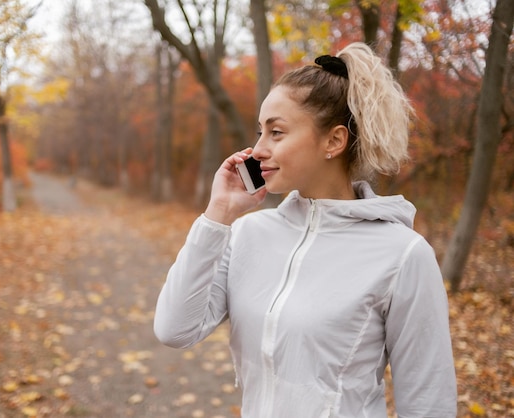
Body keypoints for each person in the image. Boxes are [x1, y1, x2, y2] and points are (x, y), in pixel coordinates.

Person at [153, 42, 457, 417]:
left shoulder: (403, 254)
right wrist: (218, 215)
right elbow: (174, 329)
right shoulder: (249, 233)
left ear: (333, 141)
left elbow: (428, 401)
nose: (258, 149)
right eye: (260, 132)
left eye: (276, 133)